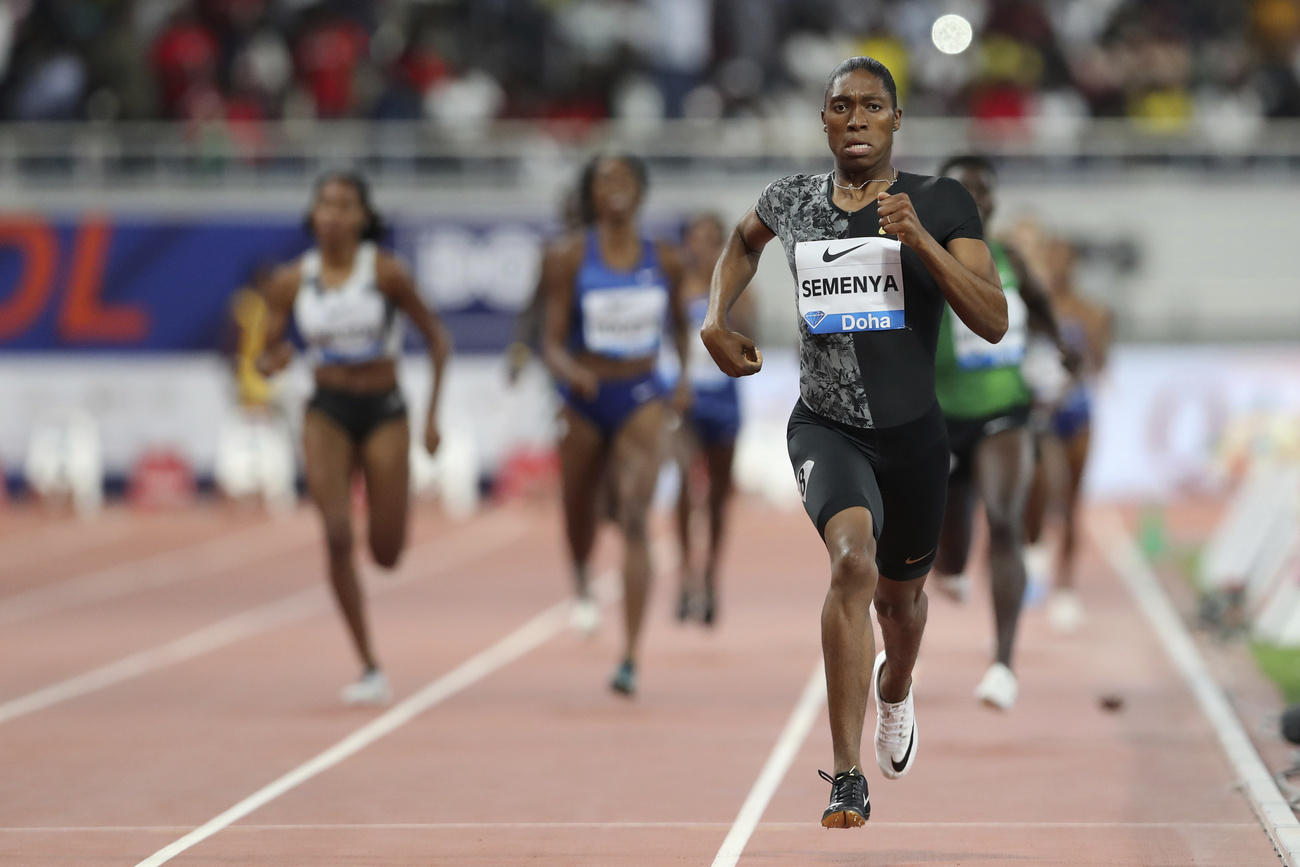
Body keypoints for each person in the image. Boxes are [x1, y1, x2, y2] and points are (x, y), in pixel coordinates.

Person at [701, 56, 1008, 828]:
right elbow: (742, 242)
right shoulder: (793, 199)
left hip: (912, 440)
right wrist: (715, 317)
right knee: (851, 562)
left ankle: (895, 689)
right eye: (842, 107)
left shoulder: (941, 201)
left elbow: (993, 318)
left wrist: (922, 245)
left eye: (874, 105)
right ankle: (844, 774)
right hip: (825, 425)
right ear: (825, 121)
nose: (858, 118)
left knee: (901, 609)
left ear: (897, 120)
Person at [257, 171, 451, 705]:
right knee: (337, 534)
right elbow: (267, 351)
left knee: (386, 553)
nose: (334, 215)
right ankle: (368, 663)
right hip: (327, 410)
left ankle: (384, 540)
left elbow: (437, 339)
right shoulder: (291, 279)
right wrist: (272, 360)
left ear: (364, 217)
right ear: (313, 215)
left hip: (384, 408)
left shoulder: (386, 273)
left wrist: (432, 417)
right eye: (325, 204)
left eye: (346, 206)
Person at [929, 154, 1076, 711]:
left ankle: (1003, 664)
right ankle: (949, 568)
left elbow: (1038, 306)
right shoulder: (920, 256)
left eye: (982, 192)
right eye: (961, 192)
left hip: (1004, 411)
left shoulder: (1009, 258)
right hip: (940, 419)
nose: (973, 201)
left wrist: (1060, 349)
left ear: (992, 202)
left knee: (1006, 519)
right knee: (949, 554)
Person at [540, 154, 690, 696]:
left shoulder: (665, 259)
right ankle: (581, 578)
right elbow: (551, 338)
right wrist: (569, 370)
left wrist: (684, 378)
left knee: (633, 512)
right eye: (604, 180)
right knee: (578, 509)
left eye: (625, 179)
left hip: (642, 394)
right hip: (584, 397)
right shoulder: (568, 257)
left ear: (641, 191)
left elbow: (680, 327)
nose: (616, 189)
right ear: (592, 194)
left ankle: (629, 654)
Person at [664, 213, 751, 626]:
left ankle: (711, 576)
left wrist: (728, 305)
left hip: (725, 398)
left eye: (714, 240)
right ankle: (685, 576)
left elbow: (750, 335)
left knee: (718, 496)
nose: (705, 247)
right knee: (683, 481)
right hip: (686, 399)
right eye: (697, 239)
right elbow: (667, 337)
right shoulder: (677, 286)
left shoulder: (737, 285)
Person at [1023, 236, 1113, 632]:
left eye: (1062, 262)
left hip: (1077, 412)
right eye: (1049, 261)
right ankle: (1035, 555)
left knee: (1073, 502)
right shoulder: (1031, 311)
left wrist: (1076, 369)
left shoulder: (1091, 313)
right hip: (1042, 415)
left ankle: (1066, 588)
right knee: (1042, 492)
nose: (1056, 270)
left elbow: (1099, 364)